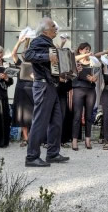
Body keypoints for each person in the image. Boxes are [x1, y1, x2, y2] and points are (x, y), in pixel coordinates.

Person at [23, 17, 69, 166]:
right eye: (53, 26)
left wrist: (64, 73)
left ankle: (53, 153)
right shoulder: (38, 40)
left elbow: (52, 66)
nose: (56, 28)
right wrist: (47, 57)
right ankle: (31, 157)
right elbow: (27, 55)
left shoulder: (48, 42)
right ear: (45, 30)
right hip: (42, 86)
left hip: (51, 86)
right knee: (40, 122)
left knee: (56, 121)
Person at [71, 42, 98, 150]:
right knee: (77, 116)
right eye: (86, 49)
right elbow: (74, 59)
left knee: (89, 116)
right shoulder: (76, 61)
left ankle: (87, 139)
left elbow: (97, 70)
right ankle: (74, 140)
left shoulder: (92, 61)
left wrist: (94, 77)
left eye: (89, 49)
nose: (88, 51)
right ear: (80, 50)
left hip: (91, 90)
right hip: (78, 89)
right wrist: (88, 77)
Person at [11, 35, 34, 147]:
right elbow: (13, 54)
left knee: (33, 114)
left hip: (34, 90)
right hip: (21, 90)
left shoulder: (36, 65)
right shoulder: (20, 63)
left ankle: (33, 137)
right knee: (23, 115)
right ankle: (25, 138)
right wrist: (19, 42)